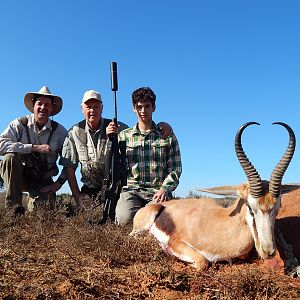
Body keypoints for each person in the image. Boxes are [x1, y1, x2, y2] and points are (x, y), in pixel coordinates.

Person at [60, 89, 173, 210]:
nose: (92, 110)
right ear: (82, 109)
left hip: (114, 188)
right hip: (89, 189)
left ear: (102, 108)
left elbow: (142, 131)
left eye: (96, 107)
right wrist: (78, 196)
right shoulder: (74, 132)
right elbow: (70, 167)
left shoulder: (118, 127)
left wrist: (162, 125)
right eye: (88, 107)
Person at [107, 87, 182, 225]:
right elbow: (110, 165)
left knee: (155, 222)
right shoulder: (124, 136)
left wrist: (164, 189)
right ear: (133, 108)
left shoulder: (167, 135)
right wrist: (110, 139)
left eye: (147, 106)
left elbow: (175, 169)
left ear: (154, 107)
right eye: (139, 107)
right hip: (132, 191)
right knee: (124, 221)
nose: (143, 111)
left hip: (157, 192)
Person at [0, 86, 68, 214]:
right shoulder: (19, 124)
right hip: (17, 175)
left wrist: (58, 183)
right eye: (39, 104)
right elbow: (1, 145)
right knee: (10, 158)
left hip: (42, 179)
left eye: (47, 104)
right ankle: (13, 211)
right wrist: (33, 148)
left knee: (42, 212)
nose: (43, 107)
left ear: (52, 108)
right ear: (33, 106)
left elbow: (69, 161)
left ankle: (34, 205)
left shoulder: (61, 132)